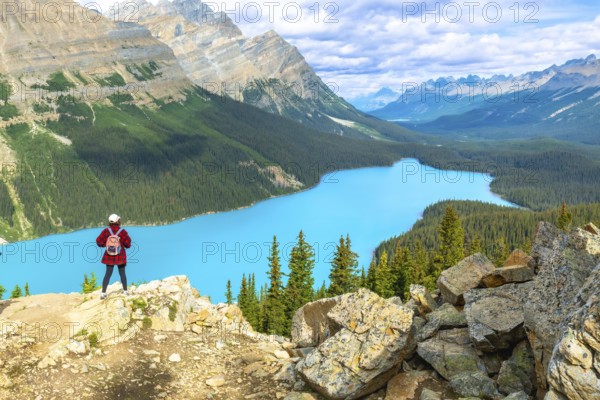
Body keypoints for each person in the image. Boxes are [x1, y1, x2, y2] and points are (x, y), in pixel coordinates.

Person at [96, 214, 132, 299]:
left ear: (110, 222)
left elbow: (98, 241)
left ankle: (103, 293)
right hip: (120, 256)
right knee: (122, 274)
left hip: (109, 255)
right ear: (118, 221)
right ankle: (125, 291)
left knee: (107, 274)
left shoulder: (106, 231)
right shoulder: (122, 231)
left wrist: (106, 245)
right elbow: (128, 244)